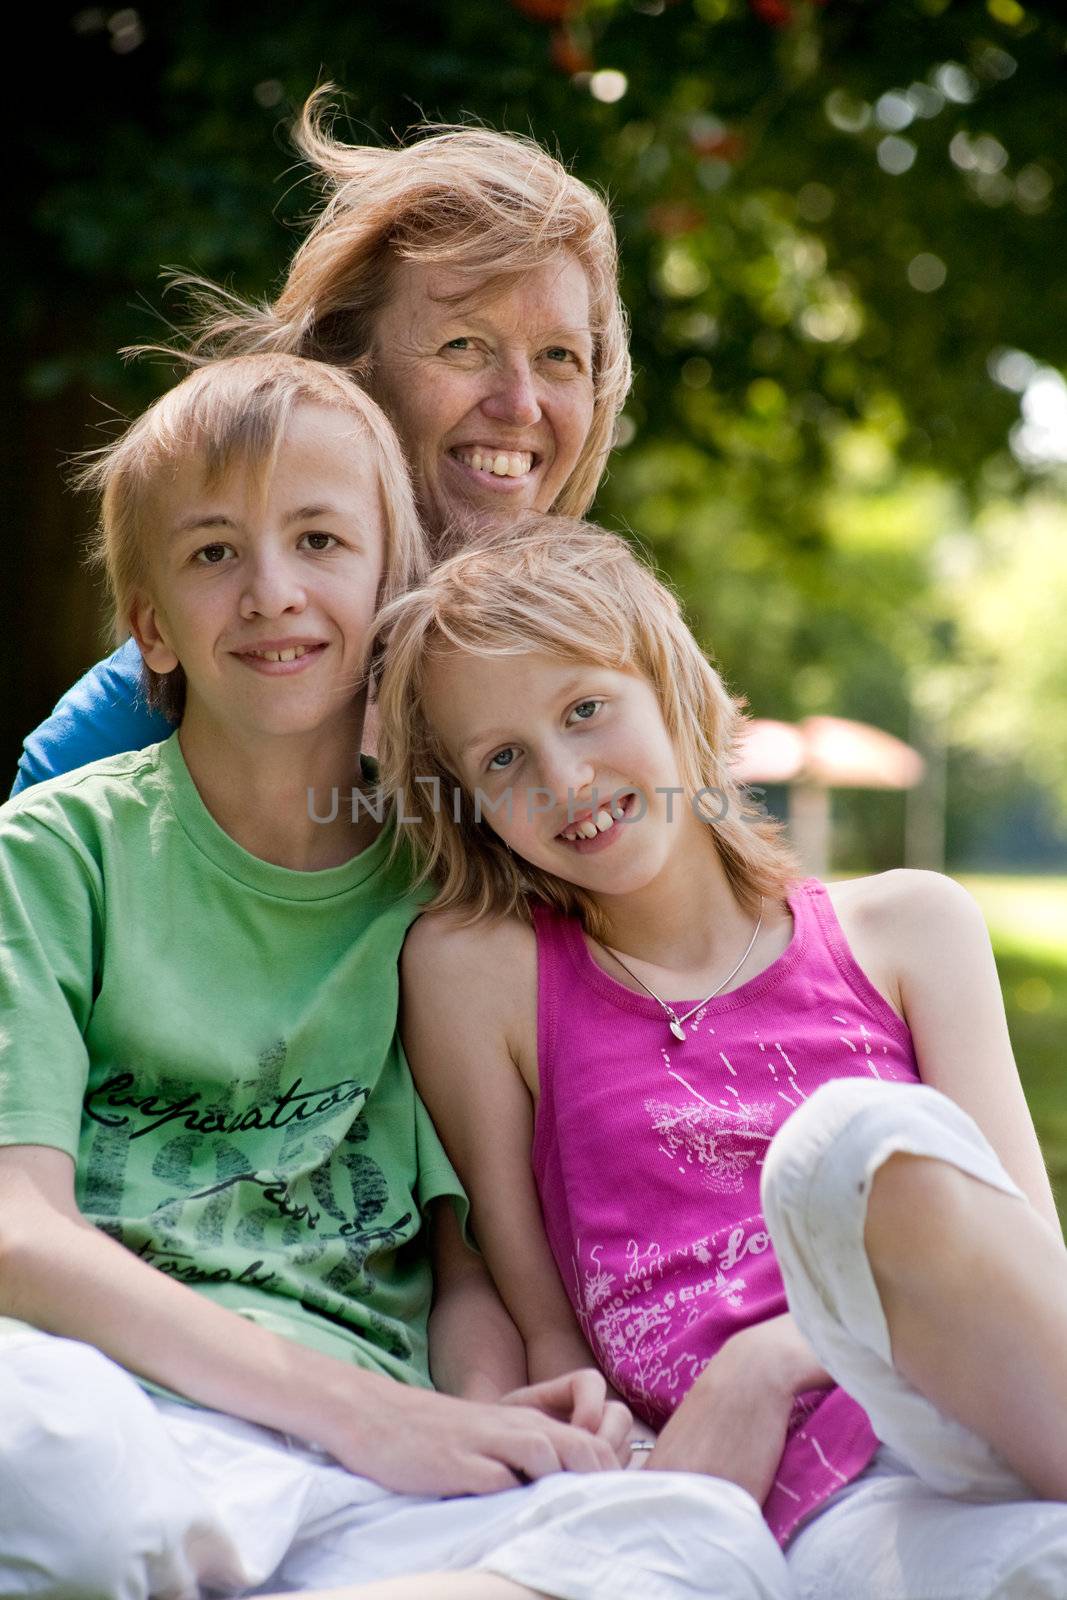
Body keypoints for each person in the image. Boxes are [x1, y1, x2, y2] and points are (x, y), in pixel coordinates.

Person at [0, 360, 790, 1600]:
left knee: (693, 1542)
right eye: (212, 554)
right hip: (107, 1396)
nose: (272, 592)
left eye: (319, 540)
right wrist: (363, 1414)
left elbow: (459, 1260)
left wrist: (486, 1416)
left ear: (387, 589)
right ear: (149, 622)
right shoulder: (55, 856)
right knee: (66, 1487)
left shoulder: (452, 896)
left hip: (360, 1476)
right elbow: (14, 1233)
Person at [370, 516, 1067, 1600]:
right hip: (792, 1507)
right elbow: (550, 1326)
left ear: (672, 688)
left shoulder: (908, 928)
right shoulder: (477, 975)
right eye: (502, 758)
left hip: (974, 1402)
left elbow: (1016, 1252)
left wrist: (779, 1353)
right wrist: (606, 1455)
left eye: (585, 708)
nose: (561, 776)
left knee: (854, 1141)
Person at [13, 90, 630, 792]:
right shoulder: (145, 711)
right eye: (463, 345)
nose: (520, 405)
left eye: (559, 357)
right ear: (345, 373)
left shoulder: (619, 674)